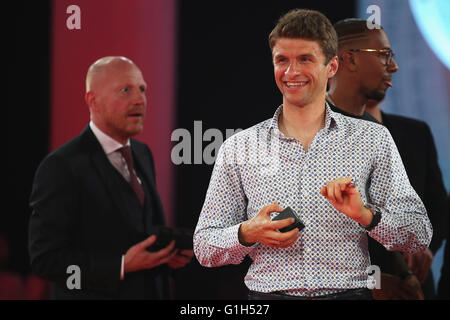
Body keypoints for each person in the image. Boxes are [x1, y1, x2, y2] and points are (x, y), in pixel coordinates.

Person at [193, 9, 432, 300]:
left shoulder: (372, 138)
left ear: (332, 66)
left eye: (304, 59)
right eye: (282, 60)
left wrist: (366, 215)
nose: (291, 72)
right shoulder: (239, 147)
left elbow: (419, 232)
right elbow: (204, 247)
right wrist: (247, 233)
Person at [29, 56, 193, 299]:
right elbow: (46, 260)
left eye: (142, 89)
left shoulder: (142, 153)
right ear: (93, 101)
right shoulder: (61, 166)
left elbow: (141, 228)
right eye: (125, 90)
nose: (139, 99)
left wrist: (168, 253)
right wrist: (121, 265)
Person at [329, 18, 447, 299]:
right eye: (383, 56)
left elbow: (433, 210)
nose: (393, 67)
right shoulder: (303, 134)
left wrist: (420, 249)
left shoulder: (395, 135)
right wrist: (371, 284)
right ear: (349, 60)